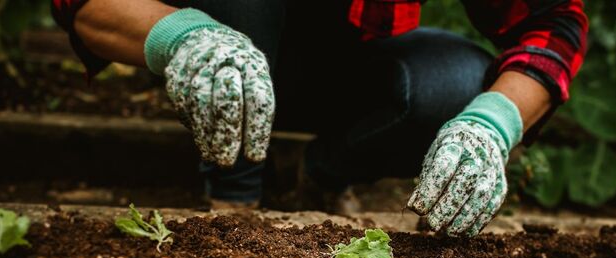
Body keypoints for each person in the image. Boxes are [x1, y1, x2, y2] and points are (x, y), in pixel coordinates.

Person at [52, 0, 588, 236]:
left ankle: (319, 173)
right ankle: (233, 200)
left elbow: (553, 19)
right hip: (222, 49)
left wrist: (495, 122)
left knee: (457, 82)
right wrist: (183, 37)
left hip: (346, 72)